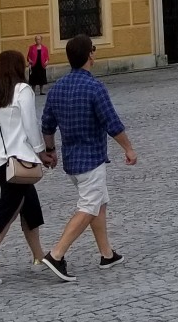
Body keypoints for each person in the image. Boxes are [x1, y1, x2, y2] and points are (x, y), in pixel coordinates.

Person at [37, 34, 136, 279]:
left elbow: (47, 125)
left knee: (99, 203)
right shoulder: (95, 87)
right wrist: (128, 148)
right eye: (93, 49)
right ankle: (56, 254)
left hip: (72, 161)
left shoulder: (57, 88)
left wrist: (50, 151)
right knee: (89, 207)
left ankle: (106, 254)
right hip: (92, 159)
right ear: (89, 55)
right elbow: (112, 123)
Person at [0, 50, 49, 286]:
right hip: (17, 161)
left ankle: (39, 257)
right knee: (7, 211)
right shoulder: (23, 91)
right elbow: (30, 124)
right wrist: (42, 152)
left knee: (30, 204)